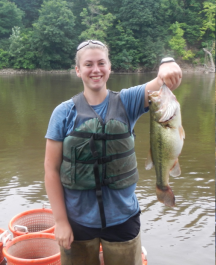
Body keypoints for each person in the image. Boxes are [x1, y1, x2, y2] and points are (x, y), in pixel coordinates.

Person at [44, 40, 182, 265]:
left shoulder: (128, 101)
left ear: (110, 67)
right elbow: (50, 169)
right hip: (77, 221)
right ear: (78, 70)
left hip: (123, 218)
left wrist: (167, 62)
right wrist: (60, 221)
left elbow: (161, 82)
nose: (95, 70)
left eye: (101, 63)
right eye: (88, 64)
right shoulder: (63, 113)